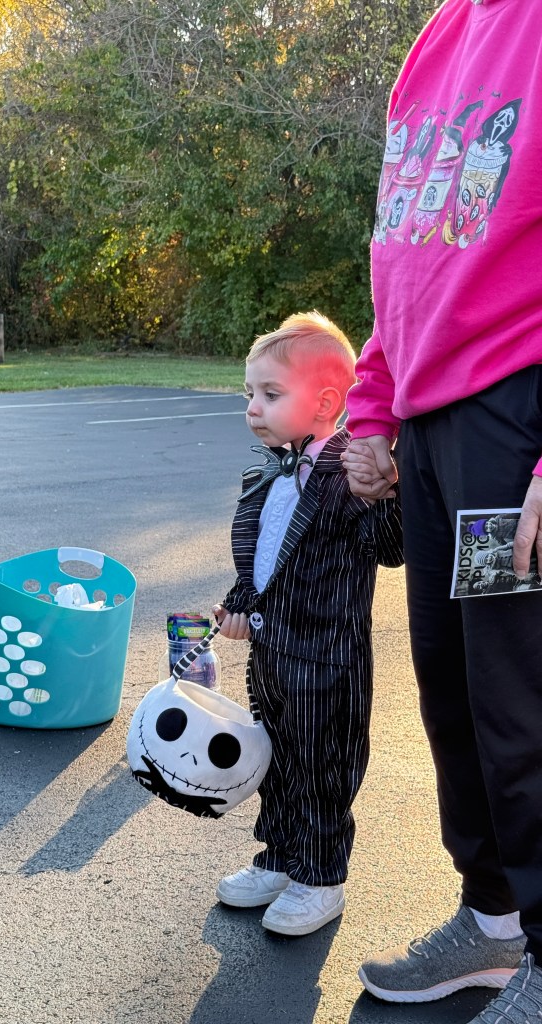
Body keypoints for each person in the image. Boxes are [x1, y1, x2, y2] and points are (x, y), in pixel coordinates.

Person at [341, 0, 542, 1018]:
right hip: (432, 431)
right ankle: (495, 922)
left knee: (523, 700)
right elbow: (410, 249)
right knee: (456, 694)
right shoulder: (438, 37)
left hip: (514, 417)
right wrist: (374, 405)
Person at [213, 311, 402, 937]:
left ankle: (320, 877)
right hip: (272, 655)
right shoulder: (264, 474)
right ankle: (279, 857)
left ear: (325, 403)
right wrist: (240, 605)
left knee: (323, 769)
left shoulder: (352, 470)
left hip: (328, 661)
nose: (253, 407)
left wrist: (384, 494)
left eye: (270, 394)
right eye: (249, 393)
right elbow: (261, 562)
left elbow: (391, 548)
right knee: (276, 760)